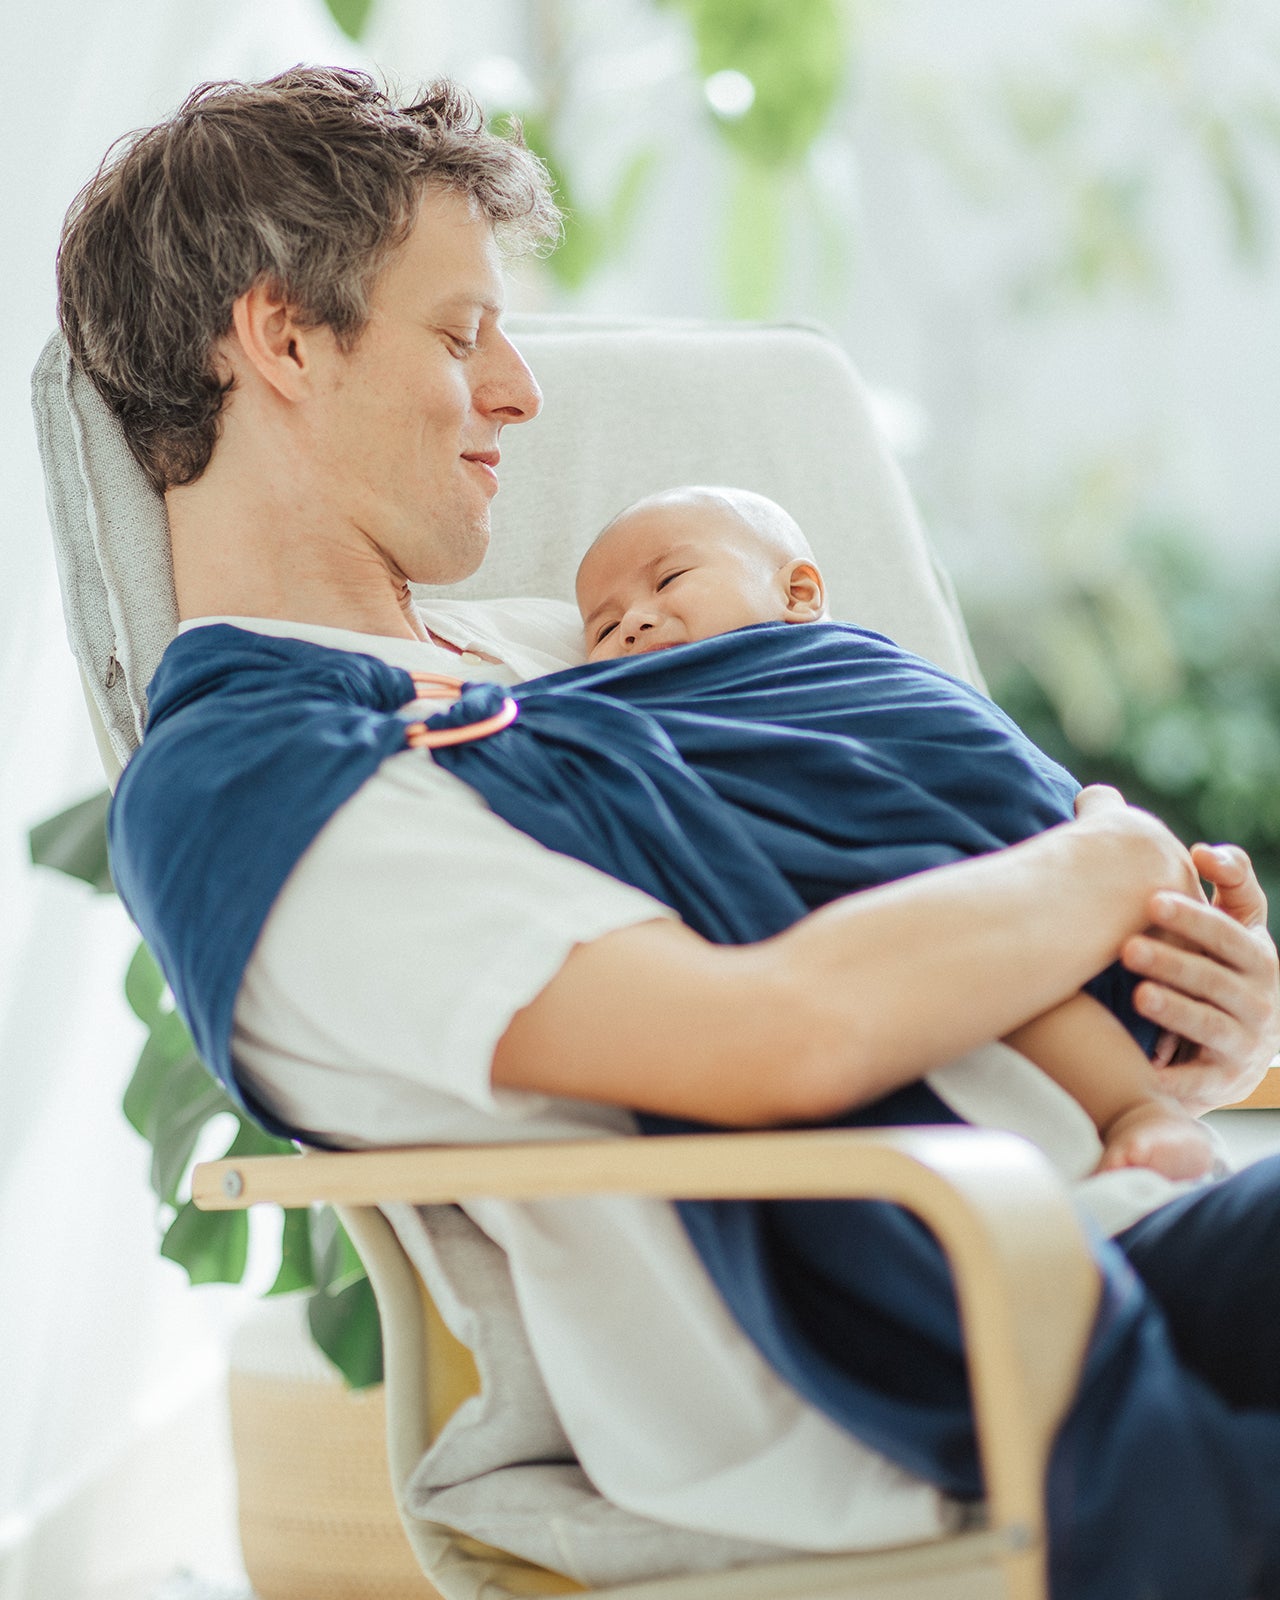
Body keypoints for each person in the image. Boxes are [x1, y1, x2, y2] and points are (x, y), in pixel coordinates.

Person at [56, 67, 1280, 1599]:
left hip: (1131, 1215)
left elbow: (917, 834)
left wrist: (1183, 1019)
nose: (520, 392)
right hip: (942, 1342)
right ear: (284, 337)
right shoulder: (254, 782)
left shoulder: (573, 650)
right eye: (460, 334)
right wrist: (1106, 862)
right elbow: (779, 1037)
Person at [573, 483, 1216, 1180]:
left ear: (799, 595)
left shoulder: (850, 668)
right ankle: (1135, 1110)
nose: (634, 622)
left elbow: (950, 737)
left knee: (988, 921)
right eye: (603, 629)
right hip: (891, 894)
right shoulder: (636, 715)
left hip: (1013, 844)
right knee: (980, 951)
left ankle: (1139, 1107)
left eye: (669, 579)